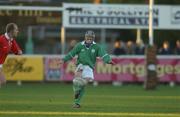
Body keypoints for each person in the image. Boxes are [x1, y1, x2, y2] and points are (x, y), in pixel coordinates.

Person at [60, 30, 114, 108]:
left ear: (93, 38)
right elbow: (71, 53)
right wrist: (63, 60)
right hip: (80, 65)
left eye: (91, 38)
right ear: (85, 37)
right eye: (88, 37)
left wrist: (108, 60)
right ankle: (76, 100)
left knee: (83, 84)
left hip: (89, 67)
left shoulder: (97, 47)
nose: (89, 39)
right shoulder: (79, 45)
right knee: (76, 81)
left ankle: (77, 101)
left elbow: (104, 54)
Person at [0, 23, 22, 87]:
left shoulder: (11, 40)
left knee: (2, 81)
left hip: (0, 64)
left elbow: (18, 51)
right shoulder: (1, 39)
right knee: (2, 80)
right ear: (11, 31)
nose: (17, 31)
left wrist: (18, 52)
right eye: (16, 30)